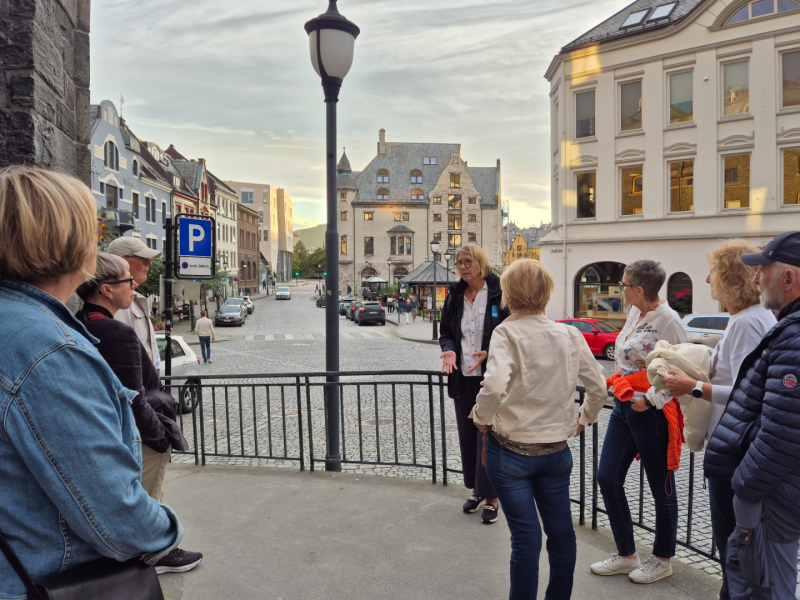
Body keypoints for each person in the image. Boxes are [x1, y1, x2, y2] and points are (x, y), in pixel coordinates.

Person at [0, 166, 184, 599]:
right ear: (72, 243)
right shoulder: (48, 349)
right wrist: (169, 529)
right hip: (50, 578)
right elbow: (117, 515)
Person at [472, 259, 608, 600]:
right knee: (561, 534)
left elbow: (494, 385)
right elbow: (598, 389)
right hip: (555, 452)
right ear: (546, 292)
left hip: (510, 452)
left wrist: (481, 417)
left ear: (509, 293)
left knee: (526, 538)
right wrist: (583, 419)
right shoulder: (569, 333)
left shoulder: (507, 331)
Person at [662, 240, 775, 600]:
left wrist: (691, 385)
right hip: (735, 443)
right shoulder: (748, 319)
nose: (708, 280)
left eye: (713, 272)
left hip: (734, 446)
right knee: (734, 538)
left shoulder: (746, 322)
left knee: (731, 536)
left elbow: (744, 392)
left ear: (729, 278)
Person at [704, 231, 800, 600]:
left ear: (788, 279)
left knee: (762, 585)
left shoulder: (792, 336)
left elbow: (784, 432)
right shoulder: (784, 328)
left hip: (770, 498)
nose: (756, 279)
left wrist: (744, 489)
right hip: (773, 492)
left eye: (764, 270)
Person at [590, 260, 686, 583]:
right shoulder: (635, 312)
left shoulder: (669, 320)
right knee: (607, 477)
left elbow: (680, 371)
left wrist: (651, 401)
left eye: (624, 284)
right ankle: (627, 554)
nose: (622, 289)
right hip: (623, 403)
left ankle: (662, 559)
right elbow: (624, 356)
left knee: (661, 487)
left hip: (651, 411)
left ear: (640, 290)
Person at [439, 244, 510, 524]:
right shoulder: (455, 295)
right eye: (459, 263)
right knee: (469, 437)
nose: (463, 266)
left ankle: (493, 497)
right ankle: (477, 491)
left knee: (488, 437)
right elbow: (445, 330)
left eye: (468, 261)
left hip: (490, 377)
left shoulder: (499, 292)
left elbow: (511, 332)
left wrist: (491, 352)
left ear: (481, 262)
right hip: (463, 378)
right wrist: (449, 349)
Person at [107, 236, 161, 373]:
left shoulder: (136, 299)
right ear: (122, 261)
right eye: (144, 259)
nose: (149, 263)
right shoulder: (113, 301)